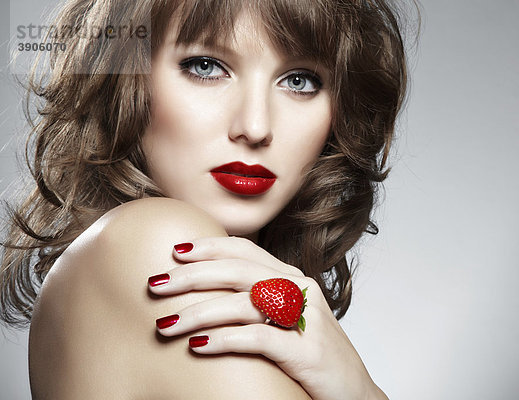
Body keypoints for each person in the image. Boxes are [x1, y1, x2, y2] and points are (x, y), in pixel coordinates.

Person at [0, 0, 417, 398]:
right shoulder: (154, 241)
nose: (255, 127)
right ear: (127, 80)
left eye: (299, 80)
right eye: (206, 66)